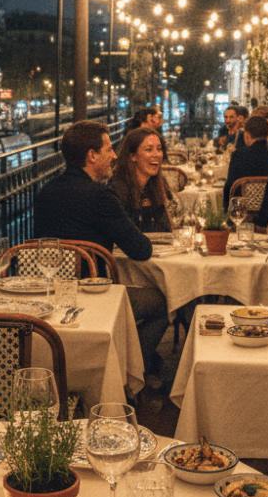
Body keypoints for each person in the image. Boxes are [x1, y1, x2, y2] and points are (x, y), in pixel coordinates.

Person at [34, 120, 170, 384]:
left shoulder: (45, 193)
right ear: (92, 155)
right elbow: (141, 250)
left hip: (47, 292)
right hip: (90, 295)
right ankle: (126, 374)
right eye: (109, 149)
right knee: (163, 303)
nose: (114, 156)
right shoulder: (100, 196)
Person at [110, 127, 173, 233]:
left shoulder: (154, 186)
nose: (156, 154)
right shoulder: (118, 189)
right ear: (133, 156)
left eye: (159, 149)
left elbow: (165, 229)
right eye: (149, 150)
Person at [223, 115, 268, 210]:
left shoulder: (238, 155)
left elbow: (229, 187)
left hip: (242, 211)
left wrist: (226, 211)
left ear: (247, 135)